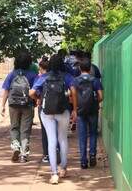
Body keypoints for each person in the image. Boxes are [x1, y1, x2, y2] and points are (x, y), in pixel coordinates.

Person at [29, 54, 77, 185]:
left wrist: (39, 98)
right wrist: (75, 109)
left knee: (52, 140)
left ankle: (54, 174)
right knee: (62, 139)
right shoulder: (67, 76)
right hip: (63, 110)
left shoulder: (44, 77)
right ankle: (64, 167)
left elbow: (31, 93)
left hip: (47, 112)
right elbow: (73, 91)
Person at [1, 52, 37, 163]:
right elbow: (35, 91)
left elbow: (6, 90)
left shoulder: (12, 74)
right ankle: (23, 155)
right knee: (25, 130)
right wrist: (36, 100)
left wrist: (2, 105)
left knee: (14, 127)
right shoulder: (32, 75)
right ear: (29, 63)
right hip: (28, 105)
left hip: (13, 105)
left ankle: (16, 147)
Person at [74, 58, 103, 169]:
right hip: (93, 110)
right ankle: (92, 155)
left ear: (80, 68)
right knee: (93, 133)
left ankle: (83, 161)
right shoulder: (95, 80)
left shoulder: (76, 81)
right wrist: (95, 103)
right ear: (90, 68)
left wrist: (76, 109)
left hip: (81, 111)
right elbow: (101, 96)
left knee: (82, 136)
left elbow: (73, 96)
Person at [36, 57, 50, 163]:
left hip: (44, 107)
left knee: (45, 131)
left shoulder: (41, 78)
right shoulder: (56, 77)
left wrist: (37, 99)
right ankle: (56, 151)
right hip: (57, 107)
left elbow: (32, 92)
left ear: (41, 68)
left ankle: (46, 154)